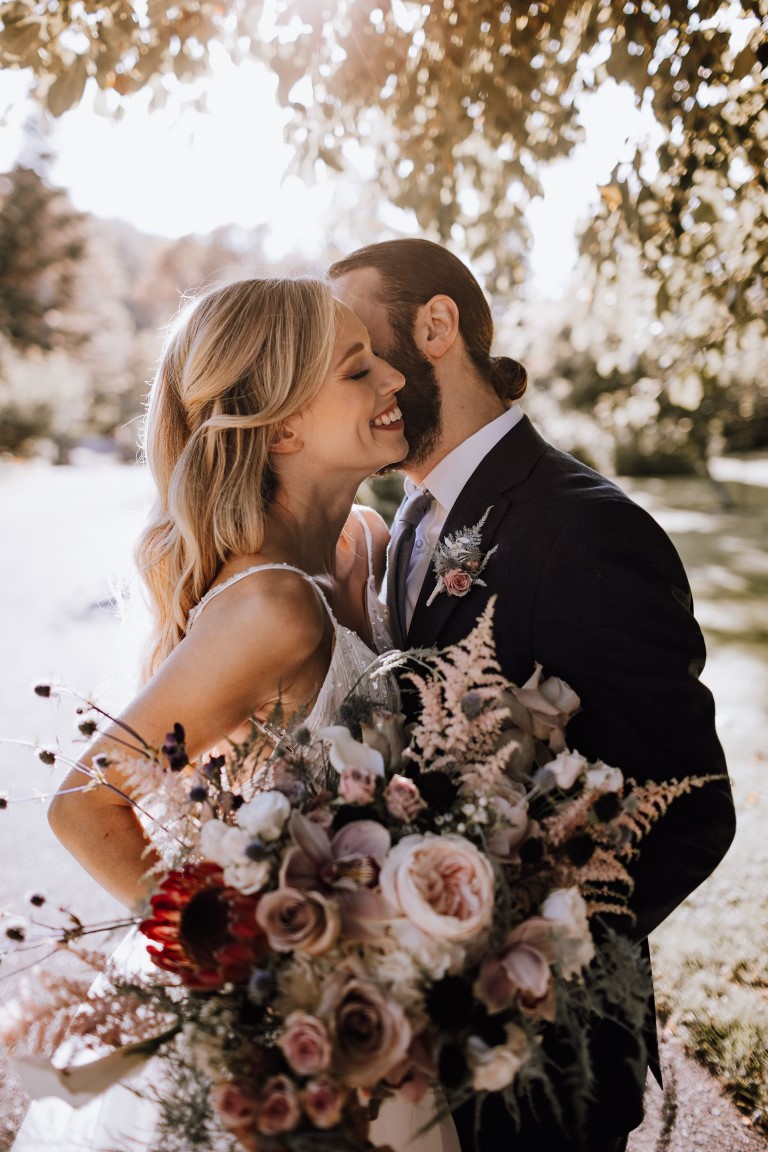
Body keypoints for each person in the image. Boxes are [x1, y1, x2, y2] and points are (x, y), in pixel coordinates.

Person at [10, 275, 448, 1152]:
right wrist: (237, 966)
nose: (394, 381)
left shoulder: (361, 540)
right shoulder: (271, 609)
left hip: (376, 1001)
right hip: (277, 1026)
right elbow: (83, 805)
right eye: (359, 370)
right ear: (284, 427)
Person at [329, 238, 737, 1152]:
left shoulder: (585, 530)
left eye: (359, 354)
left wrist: (512, 961)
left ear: (436, 327)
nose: (346, 383)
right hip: (412, 1040)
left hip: (544, 1062)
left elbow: (691, 806)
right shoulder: (406, 524)